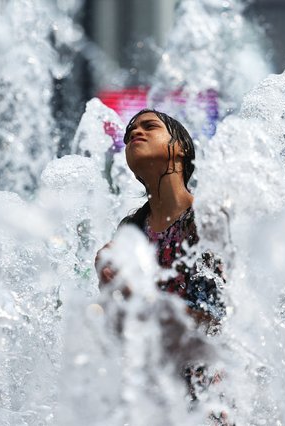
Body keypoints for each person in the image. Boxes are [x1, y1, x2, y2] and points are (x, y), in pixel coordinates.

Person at [95, 109, 230, 423]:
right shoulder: (131, 228)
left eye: (149, 126)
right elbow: (120, 329)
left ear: (180, 148)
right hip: (152, 391)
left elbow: (209, 319)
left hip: (205, 394)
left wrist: (134, 295)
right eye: (129, 133)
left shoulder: (206, 218)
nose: (134, 134)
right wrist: (108, 288)